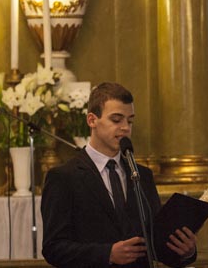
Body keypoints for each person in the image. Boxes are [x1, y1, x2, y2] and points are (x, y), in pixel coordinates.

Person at [42, 82, 197, 268]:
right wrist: (107, 254)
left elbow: (154, 245)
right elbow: (53, 248)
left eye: (130, 121)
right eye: (116, 120)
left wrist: (185, 252)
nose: (125, 128)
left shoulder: (142, 175)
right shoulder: (63, 177)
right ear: (92, 120)